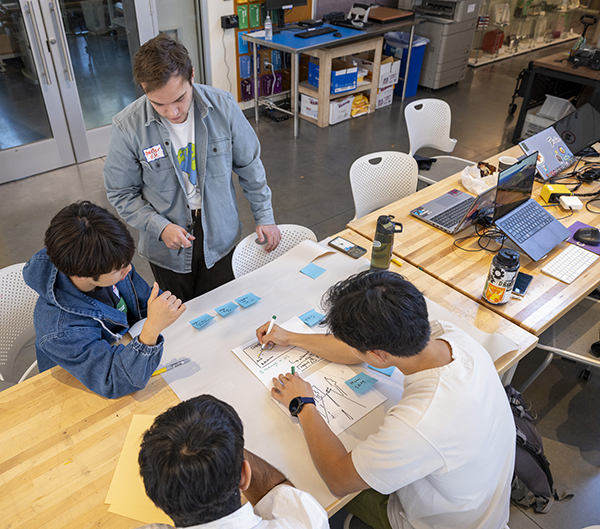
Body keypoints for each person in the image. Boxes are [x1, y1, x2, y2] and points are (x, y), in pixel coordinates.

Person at [257, 270, 516, 529]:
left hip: (438, 522)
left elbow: (338, 479)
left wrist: (303, 404)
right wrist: (291, 337)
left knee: (303, 488)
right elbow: (359, 351)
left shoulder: (419, 421)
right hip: (479, 503)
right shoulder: (452, 337)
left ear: (379, 355)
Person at [104, 33, 281, 303]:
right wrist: (160, 227)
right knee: (181, 320)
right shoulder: (128, 127)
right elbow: (121, 193)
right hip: (167, 248)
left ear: (192, 76)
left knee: (224, 310)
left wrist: (264, 215)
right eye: (158, 104)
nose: (172, 112)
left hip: (220, 234)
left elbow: (249, 164)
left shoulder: (223, 106)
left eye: (179, 99)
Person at [23, 201, 186, 399]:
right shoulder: (60, 330)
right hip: (80, 395)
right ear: (81, 275)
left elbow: (143, 305)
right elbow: (113, 381)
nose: (128, 270)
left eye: (127, 262)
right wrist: (151, 330)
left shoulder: (107, 260)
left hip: (126, 354)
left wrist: (159, 311)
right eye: (119, 269)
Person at [136, 395, 328, 529]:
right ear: (244, 476)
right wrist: (223, 448)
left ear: (153, 495)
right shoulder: (306, 522)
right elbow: (278, 492)